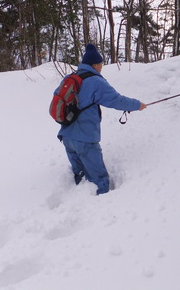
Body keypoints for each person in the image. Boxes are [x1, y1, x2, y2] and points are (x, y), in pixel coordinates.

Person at [58, 43, 147, 195]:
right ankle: (100, 209)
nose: (102, 67)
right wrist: (137, 105)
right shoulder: (96, 82)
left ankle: (77, 201)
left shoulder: (71, 77)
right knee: (99, 179)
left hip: (67, 137)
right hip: (85, 139)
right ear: (94, 65)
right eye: (101, 64)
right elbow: (116, 100)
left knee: (81, 176)